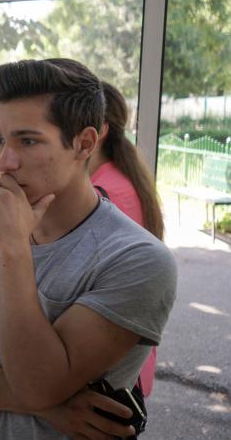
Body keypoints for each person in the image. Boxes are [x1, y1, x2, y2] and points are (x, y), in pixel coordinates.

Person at [0, 59, 177, 439]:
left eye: (28, 141)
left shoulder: (137, 260)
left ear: (85, 143)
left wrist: (14, 251)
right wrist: (51, 406)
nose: (4, 162)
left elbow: (37, 385)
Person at [91, 81, 165, 398]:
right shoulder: (117, 179)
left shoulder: (102, 195)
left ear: (97, 133)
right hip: (121, 365)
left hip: (106, 371)